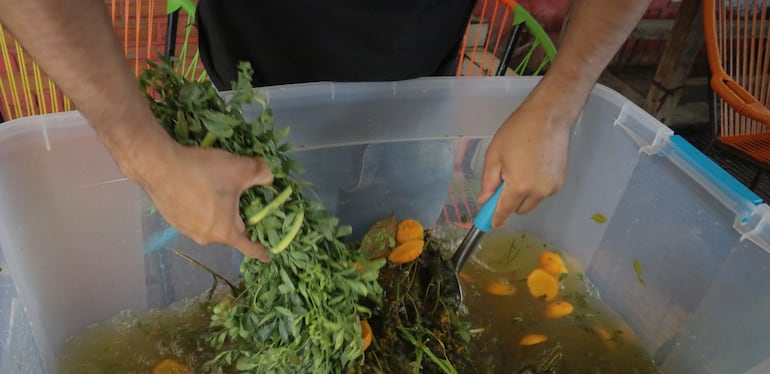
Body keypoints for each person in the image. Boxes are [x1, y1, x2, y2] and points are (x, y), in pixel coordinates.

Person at [0, 0, 652, 262]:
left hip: (422, 100)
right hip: (259, 115)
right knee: (283, 288)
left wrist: (561, 100)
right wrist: (146, 156)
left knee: (404, 272)